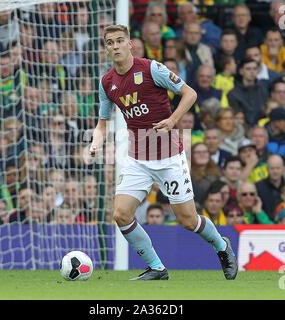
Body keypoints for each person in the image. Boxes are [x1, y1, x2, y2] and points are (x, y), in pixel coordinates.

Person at [90, 25, 237, 281]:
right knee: (121, 214)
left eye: (119, 41)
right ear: (106, 48)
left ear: (130, 45)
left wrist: (172, 120)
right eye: (109, 42)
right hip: (138, 158)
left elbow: (189, 94)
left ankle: (222, 246)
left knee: (188, 220)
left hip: (169, 157)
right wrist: (95, 143)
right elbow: (102, 123)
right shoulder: (107, 83)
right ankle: (157, 267)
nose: (115, 46)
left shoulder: (151, 69)